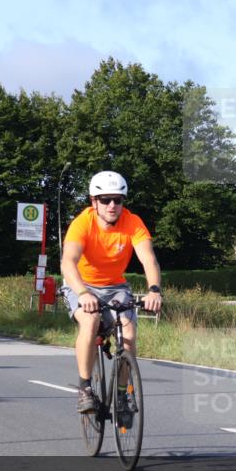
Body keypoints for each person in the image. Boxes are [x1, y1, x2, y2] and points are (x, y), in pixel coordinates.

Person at [60, 170, 163, 414]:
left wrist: (154, 290)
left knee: (128, 331)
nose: (112, 205)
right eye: (105, 199)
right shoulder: (82, 223)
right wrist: (83, 293)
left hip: (116, 286)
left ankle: (122, 394)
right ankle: (85, 388)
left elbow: (149, 259)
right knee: (90, 320)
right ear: (94, 202)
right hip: (81, 284)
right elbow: (68, 262)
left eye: (118, 199)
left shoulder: (133, 222)